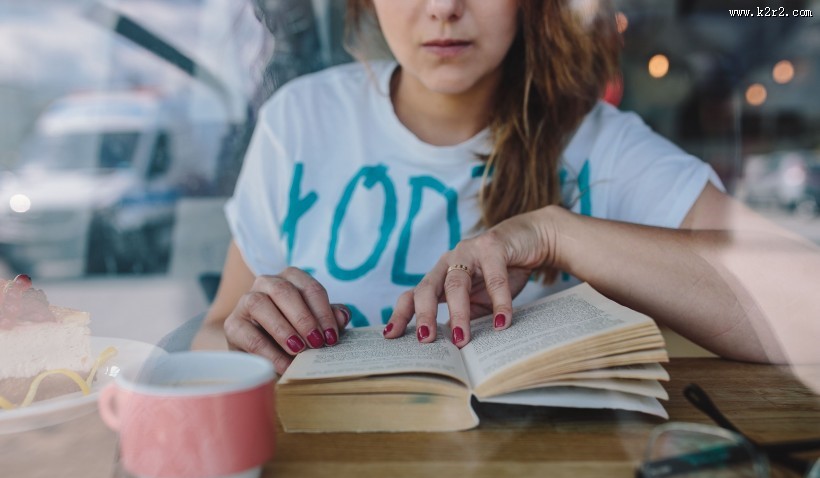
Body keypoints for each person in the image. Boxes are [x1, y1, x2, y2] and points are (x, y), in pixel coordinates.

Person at [192, 0, 820, 374]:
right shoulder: (300, 121)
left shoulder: (599, 145)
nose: (444, 7)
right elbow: (215, 331)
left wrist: (557, 233)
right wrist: (250, 340)